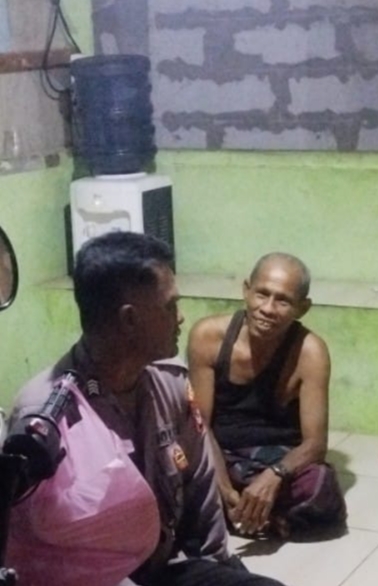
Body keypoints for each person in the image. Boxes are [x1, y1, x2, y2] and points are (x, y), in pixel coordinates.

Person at [8, 232, 285, 586]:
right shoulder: (46, 418)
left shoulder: (170, 385)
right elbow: (37, 554)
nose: (181, 318)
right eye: (170, 306)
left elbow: (201, 496)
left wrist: (220, 569)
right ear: (130, 320)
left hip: (162, 568)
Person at [187, 252, 346, 539]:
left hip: (277, 457)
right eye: (262, 294)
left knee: (320, 487)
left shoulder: (310, 351)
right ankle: (257, 515)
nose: (268, 309)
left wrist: (275, 475)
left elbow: (315, 444)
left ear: (303, 308)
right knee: (174, 470)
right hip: (221, 454)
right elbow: (200, 425)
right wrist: (223, 487)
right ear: (246, 291)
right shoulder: (207, 337)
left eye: (283, 301)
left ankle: (244, 515)